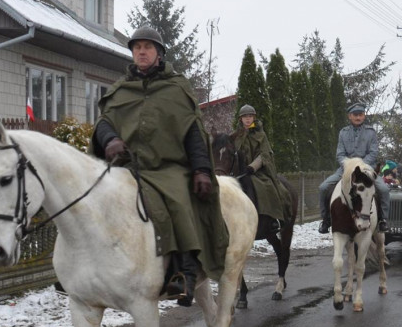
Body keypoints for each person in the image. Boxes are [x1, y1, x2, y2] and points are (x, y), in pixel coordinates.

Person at [91, 25, 227, 306]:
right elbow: (104, 122)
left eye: (147, 47)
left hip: (167, 168)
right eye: (137, 47)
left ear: (159, 53)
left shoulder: (176, 88)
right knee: (91, 196)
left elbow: (193, 132)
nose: (141, 51)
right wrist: (111, 139)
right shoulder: (120, 90)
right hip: (127, 167)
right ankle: (87, 269)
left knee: (177, 201)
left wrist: (201, 169)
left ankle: (184, 272)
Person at [318, 102, 389, 233]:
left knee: (384, 189)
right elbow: (340, 154)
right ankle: (326, 220)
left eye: (360, 114)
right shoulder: (343, 133)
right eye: (355, 115)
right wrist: (349, 166)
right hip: (346, 170)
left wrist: (360, 165)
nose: (358, 117)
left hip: (367, 169)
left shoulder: (371, 132)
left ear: (364, 116)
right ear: (349, 116)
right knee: (323, 188)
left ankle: (383, 220)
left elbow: (373, 153)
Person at [230, 104, 292, 230]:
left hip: (257, 171)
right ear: (240, 119)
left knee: (266, 187)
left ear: (254, 118)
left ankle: (273, 219)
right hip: (237, 171)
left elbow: (264, 154)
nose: (248, 119)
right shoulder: (235, 136)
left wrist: (252, 167)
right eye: (245, 117)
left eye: (250, 116)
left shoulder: (261, 135)